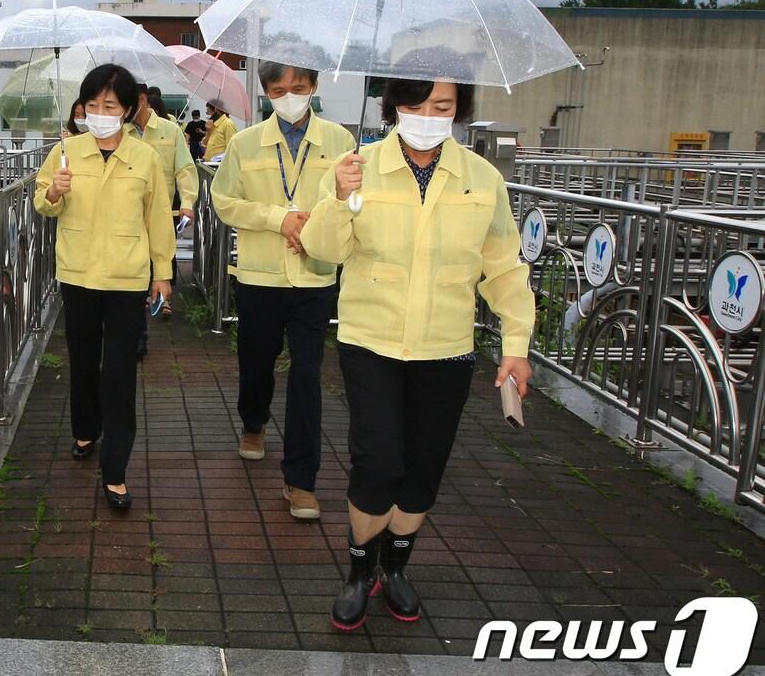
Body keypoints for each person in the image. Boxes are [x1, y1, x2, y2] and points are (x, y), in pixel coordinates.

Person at [300, 57, 534, 630]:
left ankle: (396, 566)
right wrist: (337, 197)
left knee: (422, 469)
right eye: (415, 106)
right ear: (392, 107)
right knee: (377, 464)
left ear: (460, 112)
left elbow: (504, 266)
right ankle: (360, 570)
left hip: (445, 346)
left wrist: (516, 343)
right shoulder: (357, 167)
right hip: (371, 341)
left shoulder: (482, 179)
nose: (427, 118)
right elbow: (320, 249)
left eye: (442, 108)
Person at [211, 61, 355, 522]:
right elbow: (224, 200)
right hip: (260, 275)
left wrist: (317, 222)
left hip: (314, 276)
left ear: (313, 86)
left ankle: (301, 481)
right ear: (266, 93)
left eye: (298, 86)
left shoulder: (340, 142)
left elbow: (355, 202)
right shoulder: (244, 142)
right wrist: (280, 219)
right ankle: (253, 422)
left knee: (307, 375)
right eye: (278, 89)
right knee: (257, 360)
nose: (289, 95)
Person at [34, 64, 176, 509]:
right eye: (92, 105)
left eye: (109, 105)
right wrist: (54, 191)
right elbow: (42, 204)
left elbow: (157, 217)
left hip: (126, 280)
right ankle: (84, 430)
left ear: (129, 109)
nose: (99, 112)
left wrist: (162, 272)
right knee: (82, 362)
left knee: (118, 373)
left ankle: (115, 470)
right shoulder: (65, 150)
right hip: (77, 274)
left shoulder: (146, 158)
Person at [129, 85, 198, 340]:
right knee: (135, 274)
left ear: (143, 99)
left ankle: (162, 297)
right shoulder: (120, 132)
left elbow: (185, 169)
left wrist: (188, 202)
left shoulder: (170, 131)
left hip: (163, 213)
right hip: (130, 217)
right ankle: (137, 334)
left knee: (164, 258)